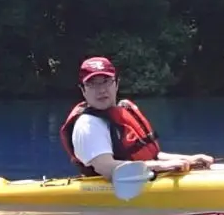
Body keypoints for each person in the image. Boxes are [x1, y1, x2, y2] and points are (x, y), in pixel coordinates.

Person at [57, 56, 213, 183]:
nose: (102, 90)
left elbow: (152, 156)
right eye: (92, 84)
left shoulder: (121, 114)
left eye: (106, 82)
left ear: (116, 84)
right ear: (83, 91)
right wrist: (162, 166)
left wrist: (189, 159)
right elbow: (108, 168)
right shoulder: (88, 125)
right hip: (104, 195)